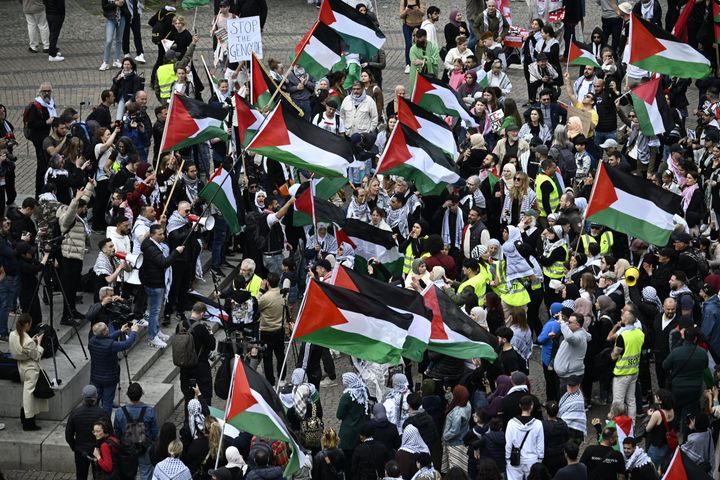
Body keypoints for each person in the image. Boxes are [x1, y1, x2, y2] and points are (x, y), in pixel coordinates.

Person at [140, 224, 184, 348]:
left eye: (163, 233)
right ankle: (152, 337)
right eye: (159, 234)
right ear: (152, 235)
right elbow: (164, 262)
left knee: (157, 310)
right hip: (154, 283)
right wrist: (176, 252)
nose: (162, 236)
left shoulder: (153, 245)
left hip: (157, 281)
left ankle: (156, 331)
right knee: (155, 311)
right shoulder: (150, 248)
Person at [662, 326, 708, 432]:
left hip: (677, 389)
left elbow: (665, 365)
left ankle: (673, 433)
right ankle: (688, 436)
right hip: (695, 390)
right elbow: (705, 366)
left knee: (676, 412)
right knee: (690, 415)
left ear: (684, 337)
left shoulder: (676, 352)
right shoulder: (702, 353)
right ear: (695, 338)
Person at [88, 321, 139, 414]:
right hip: (109, 379)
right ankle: (105, 423)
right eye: (107, 328)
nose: (108, 328)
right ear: (104, 332)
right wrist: (134, 332)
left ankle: (91, 419)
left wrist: (120, 331)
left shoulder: (92, 341)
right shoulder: (111, 345)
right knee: (107, 403)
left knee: (94, 401)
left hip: (95, 378)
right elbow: (126, 344)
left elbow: (105, 340)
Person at [8, 314, 48, 431]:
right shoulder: (28, 341)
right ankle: (28, 421)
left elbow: (23, 348)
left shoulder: (12, 335)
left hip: (21, 366)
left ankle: (25, 416)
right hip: (30, 368)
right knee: (29, 396)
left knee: (27, 395)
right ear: (26, 324)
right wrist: (39, 343)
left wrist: (32, 340)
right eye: (30, 324)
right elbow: (37, 355)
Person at [113, 383, 159, 480]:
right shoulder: (149, 411)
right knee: (146, 473)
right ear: (141, 394)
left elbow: (117, 433)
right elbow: (155, 433)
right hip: (145, 447)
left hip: (127, 449)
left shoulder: (120, 412)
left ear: (128, 395)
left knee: (128, 475)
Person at [65, 385, 111, 480]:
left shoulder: (75, 413)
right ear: (96, 396)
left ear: (83, 397)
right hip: (98, 450)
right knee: (98, 476)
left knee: (81, 475)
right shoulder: (102, 413)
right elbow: (109, 433)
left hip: (81, 449)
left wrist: (75, 447)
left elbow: (68, 435)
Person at [176, 303, 216, 408]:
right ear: (202, 313)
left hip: (185, 367)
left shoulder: (180, 325)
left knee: (188, 398)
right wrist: (210, 333)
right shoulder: (201, 328)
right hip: (200, 368)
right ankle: (206, 421)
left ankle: (187, 422)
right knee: (205, 397)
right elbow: (212, 345)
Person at [504, 395, 544, 480]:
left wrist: (508, 459)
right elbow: (540, 445)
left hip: (515, 459)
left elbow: (508, 444)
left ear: (520, 406)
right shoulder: (538, 424)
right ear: (532, 406)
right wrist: (539, 459)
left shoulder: (511, 423)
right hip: (532, 460)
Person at [257, 272, 285, 386]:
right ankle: (282, 378)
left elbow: (256, 305)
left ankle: (271, 382)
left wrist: (261, 290)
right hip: (279, 329)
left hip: (267, 330)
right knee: (280, 355)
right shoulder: (282, 294)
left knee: (267, 358)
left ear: (267, 282)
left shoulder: (265, 297)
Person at [337, 372, 370, 460]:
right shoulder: (364, 390)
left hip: (350, 432)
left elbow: (339, 415)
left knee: (349, 459)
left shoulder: (347, 396)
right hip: (363, 427)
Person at [442, 385, 471, 473]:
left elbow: (454, 431)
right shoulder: (467, 404)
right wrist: (449, 394)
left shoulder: (457, 414)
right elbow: (456, 402)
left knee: (455, 471)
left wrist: (444, 437)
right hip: (463, 441)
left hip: (454, 445)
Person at [400, 0, 427, 74]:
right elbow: (401, 15)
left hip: (418, 24)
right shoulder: (404, 1)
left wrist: (417, 9)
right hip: (407, 25)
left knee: (420, 42)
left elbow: (423, 13)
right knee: (408, 44)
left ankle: (421, 61)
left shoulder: (420, 1)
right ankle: (408, 64)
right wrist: (406, 10)